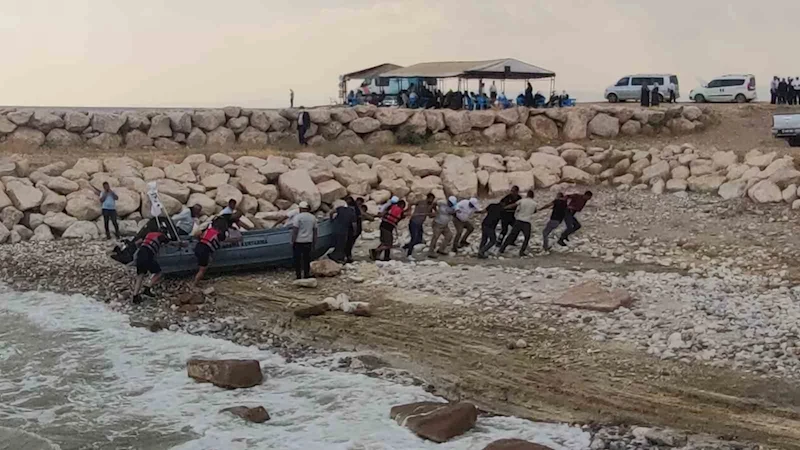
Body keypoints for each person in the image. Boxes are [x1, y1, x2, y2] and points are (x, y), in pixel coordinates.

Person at [131, 225, 170, 304]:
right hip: (148, 256)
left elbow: (138, 242)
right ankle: (147, 288)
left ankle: (135, 296)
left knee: (140, 276)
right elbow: (168, 241)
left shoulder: (149, 234)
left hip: (140, 254)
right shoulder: (161, 236)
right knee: (159, 273)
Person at [191, 216, 228, 286]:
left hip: (198, 246)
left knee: (209, 260)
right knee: (202, 269)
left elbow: (197, 234)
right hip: (204, 250)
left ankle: (199, 276)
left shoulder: (208, 230)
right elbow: (225, 240)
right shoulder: (220, 235)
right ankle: (195, 283)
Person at [499, 190, 537, 257]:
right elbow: (535, 211)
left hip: (519, 221)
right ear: (533, 196)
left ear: (527, 195)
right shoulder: (534, 203)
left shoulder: (522, 200)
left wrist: (504, 208)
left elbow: (513, 205)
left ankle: (502, 249)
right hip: (527, 222)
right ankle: (521, 252)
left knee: (511, 235)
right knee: (526, 237)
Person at [291, 202, 317, 280]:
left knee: (297, 260)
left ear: (301, 209)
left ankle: (298, 276)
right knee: (307, 259)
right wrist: (314, 243)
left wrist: (292, 241)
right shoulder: (313, 217)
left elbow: (295, 230)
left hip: (298, 241)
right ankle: (306, 275)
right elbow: (315, 231)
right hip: (308, 241)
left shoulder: (297, 217)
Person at [404, 193, 435, 258]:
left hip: (420, 224)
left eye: (433, 199)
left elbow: (430, 215)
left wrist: (435, 212)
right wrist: (408, 210)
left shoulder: (431, 205)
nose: (432, 201)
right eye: (431, 199)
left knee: (419, 239)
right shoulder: (420, 202)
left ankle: (406, 247)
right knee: (414, 238)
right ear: (428, 198)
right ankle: (409, 254)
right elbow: (410, 203)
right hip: (414, 222)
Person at [328, 197, 357, 263]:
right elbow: (354, 224)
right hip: (344, 231)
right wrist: (355, 232)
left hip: (335, 228)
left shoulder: (340, 208)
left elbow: (331, 212)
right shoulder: (352, 212)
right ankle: (336, 257)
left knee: (336, 243)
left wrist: (331, 220)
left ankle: (334, 255)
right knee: (341, 245)